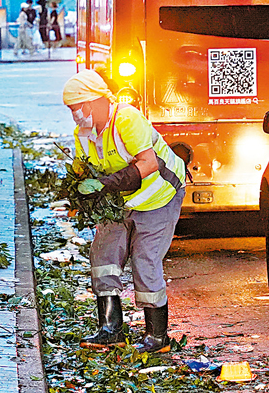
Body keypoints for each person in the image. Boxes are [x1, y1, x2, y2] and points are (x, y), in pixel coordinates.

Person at [62, 70, 186, 353]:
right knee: (103, 255)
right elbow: (86, 169)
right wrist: (79, 191)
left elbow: (148, 164)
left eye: (75, 108)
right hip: (121, 201)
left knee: (145, 261)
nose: (74, 116)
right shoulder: (84, 133)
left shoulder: (128, 119)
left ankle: (157, 337)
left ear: (92, 102)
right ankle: (110, 329)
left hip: (160, 198)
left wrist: (106, 184)